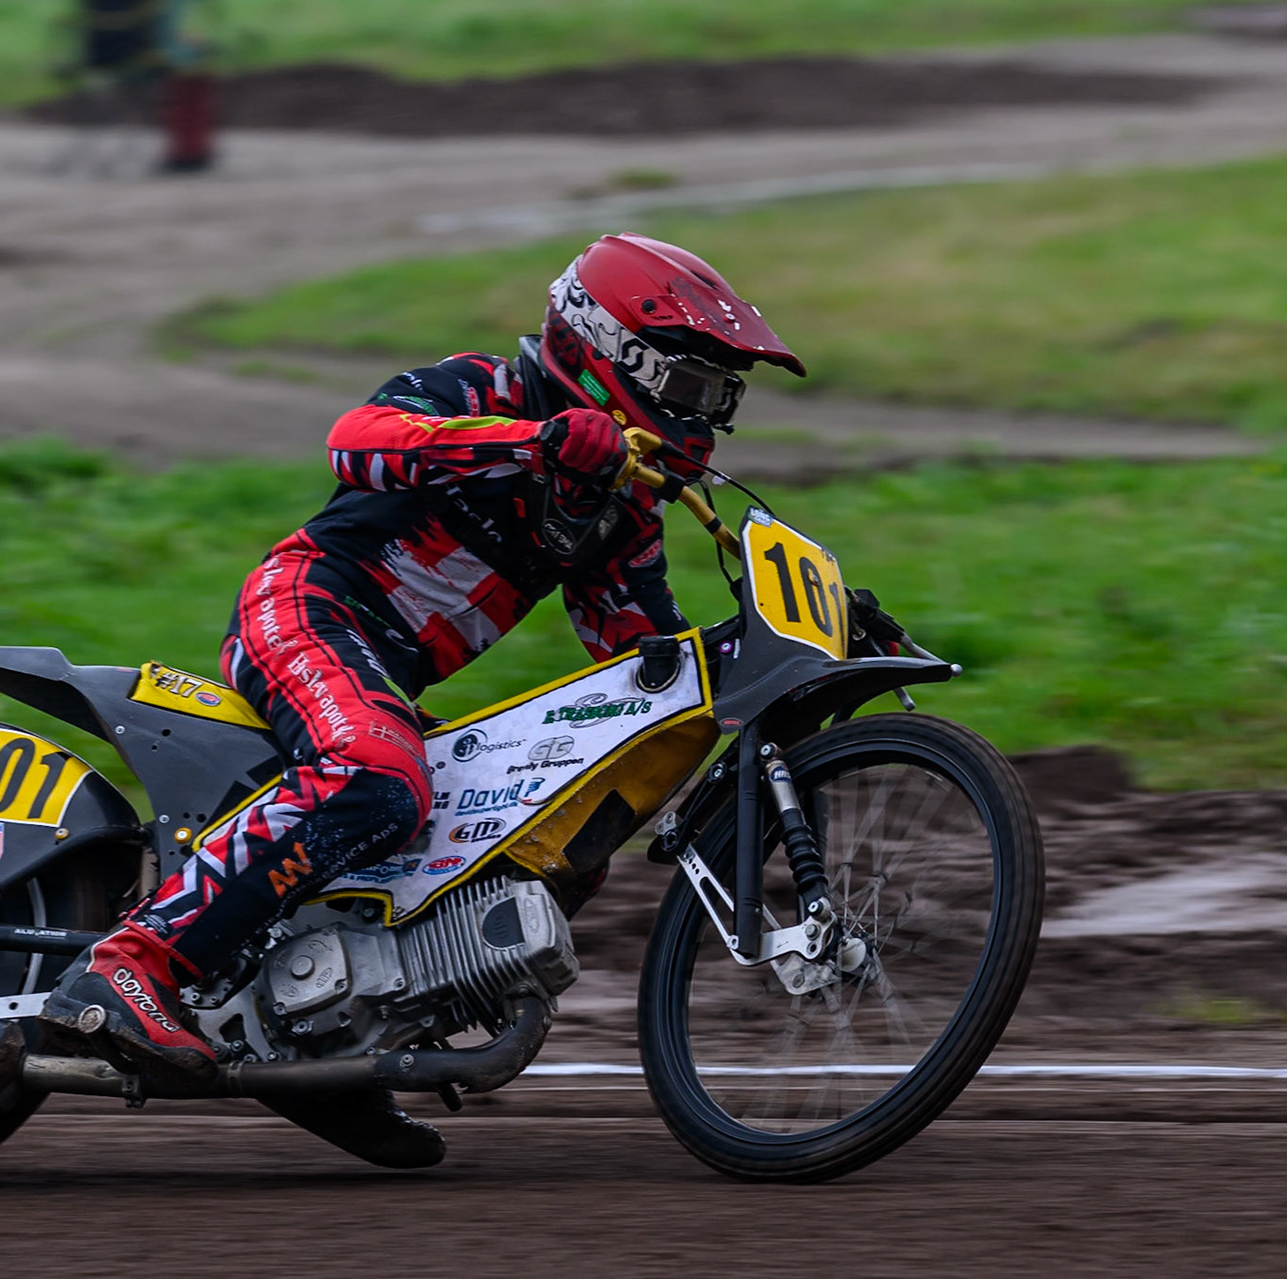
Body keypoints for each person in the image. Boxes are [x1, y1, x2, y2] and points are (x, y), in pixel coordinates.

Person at [42, 232, 805, 1164]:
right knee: (377, 775)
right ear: (611, 356)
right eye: (693, 391)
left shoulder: (623, 512)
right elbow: (356, 444)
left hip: (382, 674)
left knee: (545, 823)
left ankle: (339, 1050)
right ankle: (134, 964)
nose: (706, 422)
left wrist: (790, 637)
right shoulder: (485, 390)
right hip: (307, 606)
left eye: (722, 401)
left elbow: (640, 661)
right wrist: (534, 444)